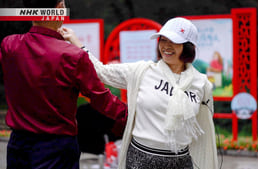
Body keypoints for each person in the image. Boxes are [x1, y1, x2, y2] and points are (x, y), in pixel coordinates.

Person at [63, 17, 218, 169]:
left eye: (174, 41)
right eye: (163, 40)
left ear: (188, 47)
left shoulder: (201, 83)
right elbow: (101, 72)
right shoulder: (142, 71)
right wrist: (76, 42)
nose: (166, 46)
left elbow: (204, 124)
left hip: (181, 161)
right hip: (141, 159)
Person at [0, 0, 127, 168]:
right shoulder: (72, 55)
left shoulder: (9, 45)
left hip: (18, 145)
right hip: (57, 148)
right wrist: (133, 116)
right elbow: (100, 98)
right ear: (60, 8)